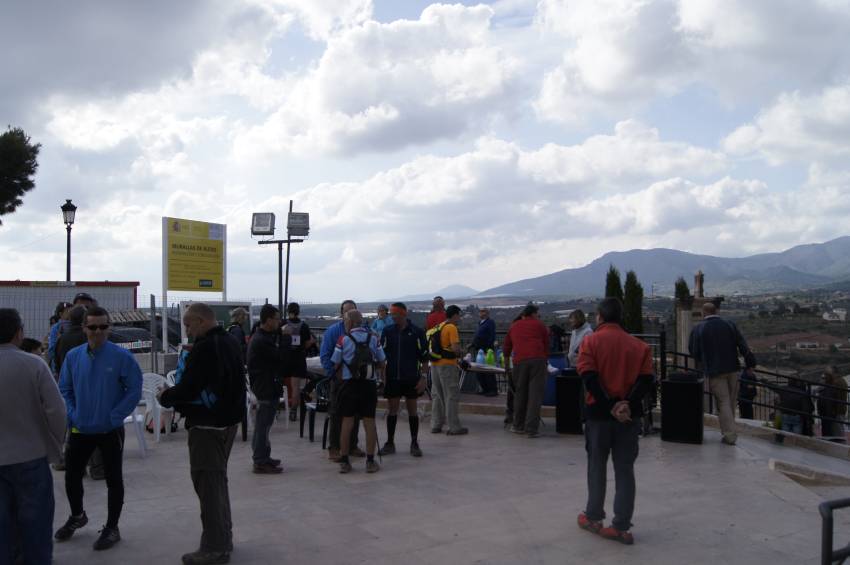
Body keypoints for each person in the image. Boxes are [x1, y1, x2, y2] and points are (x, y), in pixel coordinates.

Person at [158, 302, 246, 565]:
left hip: (207, 426)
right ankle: (224, 538)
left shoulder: (206, 347)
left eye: (188, 324)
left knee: (209, 486)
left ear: (202, 321)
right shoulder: (229, 341)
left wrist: (165, 396)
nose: (186, 330)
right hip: (227, 423)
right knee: (217, 483)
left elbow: (189, 388)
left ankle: (214, 548)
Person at [56, 306, 143, 551]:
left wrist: (113, 417)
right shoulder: (74, 356)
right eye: (93, 327)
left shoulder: (122, 357)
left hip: (109, 430)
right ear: (84, 328)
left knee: (113, 479)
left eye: (103, 326)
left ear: (109, 327)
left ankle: (112, 527)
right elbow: (65, 389)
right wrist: (74, 414)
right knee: (72, 476)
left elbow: (134, 390)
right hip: (80, 429)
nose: (98, 331)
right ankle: (77, 515)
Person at [576, 298, 654, 545]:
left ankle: (593, 517)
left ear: (599, 316)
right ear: (621, 317)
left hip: (599, 417)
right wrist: (626, 404)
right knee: (625, 470)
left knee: (596, 467)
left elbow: (589, 378)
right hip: (629, 418)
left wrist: (610, 405)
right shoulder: (640, 346)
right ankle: (621, 527)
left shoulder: (590, 342)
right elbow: (646, 380)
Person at [0, 309, 66, 565]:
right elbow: (57, 411)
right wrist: (56, 444)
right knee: (36, 528)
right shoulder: (33, 364)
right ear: (19, 333)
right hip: (31, 458)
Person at [688, 302, 756, 445]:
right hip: (733, 368)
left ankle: (730, 435)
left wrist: (703, 362)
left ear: (703, 313)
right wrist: (750, 363)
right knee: (730, 401)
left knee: (723, 402)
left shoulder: (699, 328)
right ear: (716, 311)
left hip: (715, 371)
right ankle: (728, 431)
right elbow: (742, 344)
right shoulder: (729, 325)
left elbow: (694, 351)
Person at [331, 309, 386, 473]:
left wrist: (342, 380)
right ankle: (370, 461)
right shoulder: (374, 338)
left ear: (349, 321)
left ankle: (345, 461)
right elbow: (382, 362)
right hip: (368, 386)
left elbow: (336, 364)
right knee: (369, 423)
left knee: (347, 423)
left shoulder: (343, 339)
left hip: (349, 386)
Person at [379, 303, 429, 457]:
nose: (393, 317)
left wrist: (423, 378)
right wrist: (382, 376)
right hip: (393, 377)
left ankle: (414, 443)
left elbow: (424, 357)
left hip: (411, 377)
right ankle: (390, 443)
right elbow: (381, 355)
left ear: (404, 314)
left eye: (396, 314)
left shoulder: (417, 332)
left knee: (412, 411)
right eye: (392, 314)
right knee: (392, 411)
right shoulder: (387, 331)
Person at [320, 300, 363, 462]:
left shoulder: (364, 331)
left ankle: (352, 446)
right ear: (341, 314)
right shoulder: (333, 331)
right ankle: (334, 448)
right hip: (339, 380)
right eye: (346, 311)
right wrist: (333, 375)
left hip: (357, 380)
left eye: (352, 311)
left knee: (356, 413)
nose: (350, 314)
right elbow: (325, 355)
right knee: (336, 413)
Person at [246, 305, 286, 474]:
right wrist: (285, 338)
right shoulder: (262, 340)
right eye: (277, 319)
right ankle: (260, 461)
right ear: (268, 320)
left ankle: (264, 456)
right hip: (265, 387)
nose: (279, 322)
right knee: (263, 426)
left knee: (265, 425)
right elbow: (280, 358)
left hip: (266, 385)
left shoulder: (262, 337)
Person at [503, 303, 550, 438]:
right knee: (535, 396)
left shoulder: (514, 326)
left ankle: (518, 425)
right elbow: (546, 344)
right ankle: (531, 429)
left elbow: (506, 347)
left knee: (520, 394)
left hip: (519, 362)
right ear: (533, 313)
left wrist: (506, 366)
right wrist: (545, 360)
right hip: (538, 361)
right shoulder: (540, 325)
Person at [428, 305, 467, 435]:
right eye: (459, 315)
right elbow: (455, 349)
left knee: (437, 395)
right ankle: (454, 427)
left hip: (434, 364)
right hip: (447, 365)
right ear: (455, 315)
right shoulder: (451, 327)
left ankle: (436, 425)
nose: (459, 318)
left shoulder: (439, 326)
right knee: (451, 395)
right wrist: (462, 352)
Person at [282, 302, 314, 422]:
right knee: (295, 387)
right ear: (298, 311)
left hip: (285, 357)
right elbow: (307, 343)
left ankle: (277, 407)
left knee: (280, 383)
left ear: (288, 311)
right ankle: (293, 411)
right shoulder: (304, 326)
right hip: (298, 358)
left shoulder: (283, 324)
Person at [471, 308, 498, 396]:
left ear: (487, 313)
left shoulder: (490, 322)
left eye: (483, 311)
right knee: (480, 370)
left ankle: (492, 390)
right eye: (480, 311)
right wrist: (473, 344)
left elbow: (491, 336)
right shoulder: (480, 323)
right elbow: (478, 335)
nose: (481, 313)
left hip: (486, 350)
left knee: (488, 370)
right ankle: (485, 389)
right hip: (479, 350)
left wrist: (488, 348)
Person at [818, 366, 848, 440]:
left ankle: (840, 446)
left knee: (837, 434)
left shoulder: (837, 382)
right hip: (835, 411)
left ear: (833, 373)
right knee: (835, 432)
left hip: (836, 411)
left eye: (827, 373)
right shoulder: (839, 381)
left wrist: (823, 381)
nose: (825, 375)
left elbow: (832, 394)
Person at [46, 301, 73, 373]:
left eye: (73, 311)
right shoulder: (56, 327)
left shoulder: (75, 325)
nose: (72, 313)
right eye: (69, 311)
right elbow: (51, 351)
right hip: (58, 367)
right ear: (61, 314)